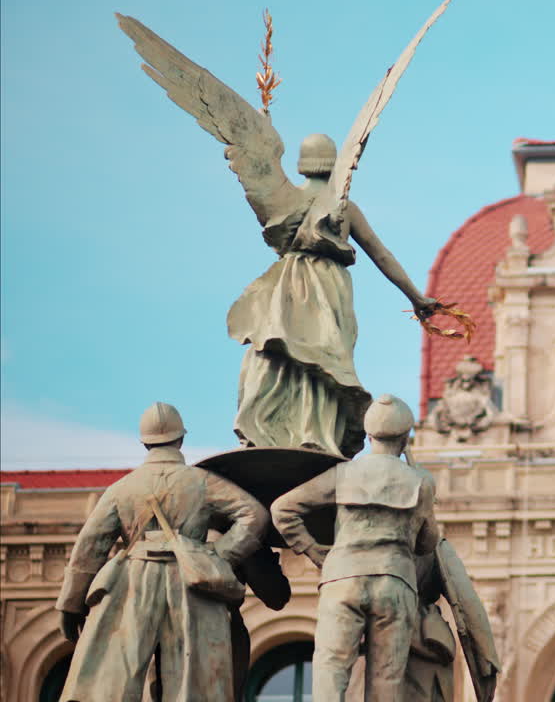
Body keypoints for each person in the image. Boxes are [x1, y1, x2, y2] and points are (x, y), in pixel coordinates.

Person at [229, 134, 438, 459]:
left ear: (303, 165)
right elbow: (380, 254)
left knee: (281, 354)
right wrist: (416, 297)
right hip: (328, 287)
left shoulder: (283, 199)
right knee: (326, 359)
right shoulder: (343, 208)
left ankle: (272, 427)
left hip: (285, 287)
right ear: (336, 164)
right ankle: (318, 433)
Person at [54, 403, 268, 702]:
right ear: (181, 439)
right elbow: (254, 515)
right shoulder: (202, 482)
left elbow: (90, 547)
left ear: (144, 442)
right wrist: (218, 555)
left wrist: (71, 603)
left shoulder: (122, 488)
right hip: (192, 583)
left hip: (132, 583)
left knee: (115, 678)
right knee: (193, 681)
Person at [271, 394, 440, 702]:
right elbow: (427, 543)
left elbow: (283, 509)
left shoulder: (343, 474)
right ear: (405, 439)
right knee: (386, 680)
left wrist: (311, 549)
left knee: (331, 669)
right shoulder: (421, 481)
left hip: (342, 579)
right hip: (394, 581)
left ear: (369, 436)